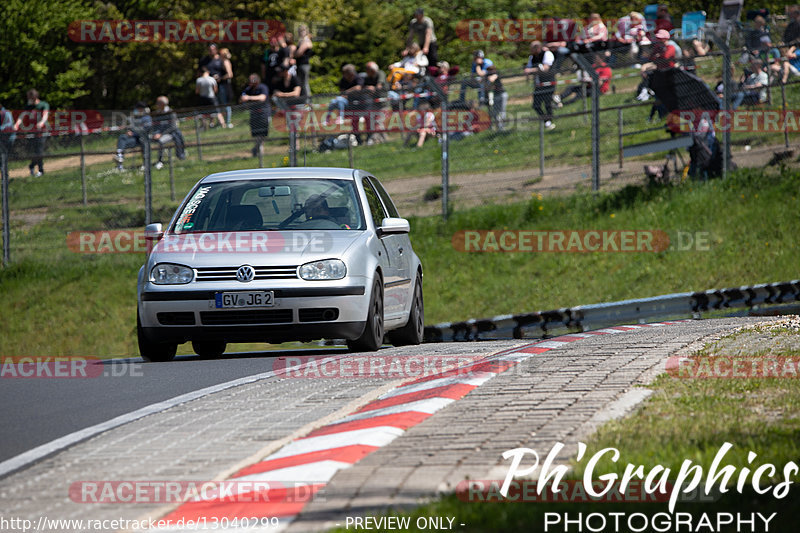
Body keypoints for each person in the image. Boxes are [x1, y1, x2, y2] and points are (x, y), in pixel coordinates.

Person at [13, 89, 49, 176]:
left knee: (39, 150)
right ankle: (32, 165)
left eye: (29, 98)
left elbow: (45, 115)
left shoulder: (43, 105)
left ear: (34, 98)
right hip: (32, 131)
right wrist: (17, 124)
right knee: (36, 151)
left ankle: (40, 170)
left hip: (42, 131)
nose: (28, 99)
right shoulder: (28, 107)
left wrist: (41, 122)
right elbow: (22, 116)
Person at [325, 64, 365, 136]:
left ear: (351, 73)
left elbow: (358, 88)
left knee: (340, 100)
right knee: (333, 101)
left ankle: (341, 117)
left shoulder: (358, 78)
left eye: (345, 73)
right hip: (345, 100)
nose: (343, 75)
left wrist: (347, 92)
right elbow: (342, 92)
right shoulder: (343, 80)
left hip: (357, 103)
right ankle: (327, 119)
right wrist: (346, 94)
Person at [524, 41, 556, 130]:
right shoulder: (532, 57)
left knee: (547, 103)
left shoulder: (547, 54)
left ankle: (549, 121)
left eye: (532, 48)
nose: (531, 50)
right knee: (536, 105)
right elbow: (528, 68)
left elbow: (545, 68)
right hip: (539, 84)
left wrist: (531, 70)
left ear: (537, 48)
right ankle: (546, 120)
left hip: (548, 82)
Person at [113, 101, 151, 171]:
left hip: (142, 139)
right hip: (134, 139)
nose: (135, 110)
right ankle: (119, 159)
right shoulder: (134, 118)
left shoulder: (146, 118)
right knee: (122, 137)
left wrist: (134, 133)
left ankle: (146, 164)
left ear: (142, 109)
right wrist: (128, 131)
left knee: (143, 141)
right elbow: (130, 127)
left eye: (137, 108)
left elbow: (145, 130)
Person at [150, 96, 186, 169]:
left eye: (158, 103)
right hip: (157, 134)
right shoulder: (157, 113)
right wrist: (155, 134)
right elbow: (154, 126)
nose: (156, 104)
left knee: (161, 141)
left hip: (170, 134)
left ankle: (160, 161)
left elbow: (173, 127)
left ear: (162, 104)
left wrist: (161, 134)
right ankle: (146, 163)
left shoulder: (171, 113)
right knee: (145, 140)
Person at [240, 74, 270, 156]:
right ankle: (258, 148)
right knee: (256, 133)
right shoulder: (248, 89)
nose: (250, 82)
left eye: (252, 80)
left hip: (263, 113)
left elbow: (262, 97)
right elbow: (242, 97)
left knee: (263, 132)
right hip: (254, 114)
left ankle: (259, 149)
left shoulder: (262, 87)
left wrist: (249, 98)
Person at [485, 65, 508, 131]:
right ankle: (499, 127)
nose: (490, 72)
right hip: (495, 95)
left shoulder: (496, 74)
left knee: (502, 111)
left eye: (491, 70)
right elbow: (486, 86)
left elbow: (492, 79)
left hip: (502, 94)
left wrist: (486, 77)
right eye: (489, 70)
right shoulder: (487, 77)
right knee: (495, 112)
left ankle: (502, 128)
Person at [294, 24, 313, 100]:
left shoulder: (306, 40)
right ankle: (303, 101)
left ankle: (308, 102)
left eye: (302, 31)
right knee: (301, 84)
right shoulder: (301, 41)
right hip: (300, 65)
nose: (301, 33)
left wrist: (293, 53)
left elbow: (298, 53)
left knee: (304, 84)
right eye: (300, 31)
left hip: (304, 65)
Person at [218, 48, 235, 128]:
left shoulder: (225, 62)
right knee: (223, 104)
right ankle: (223, 122)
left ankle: (228, 122)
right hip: (223, 85)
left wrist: (220, 78)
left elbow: (230, 74)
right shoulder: (223, 61)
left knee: (226, 104)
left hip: (225, 85)